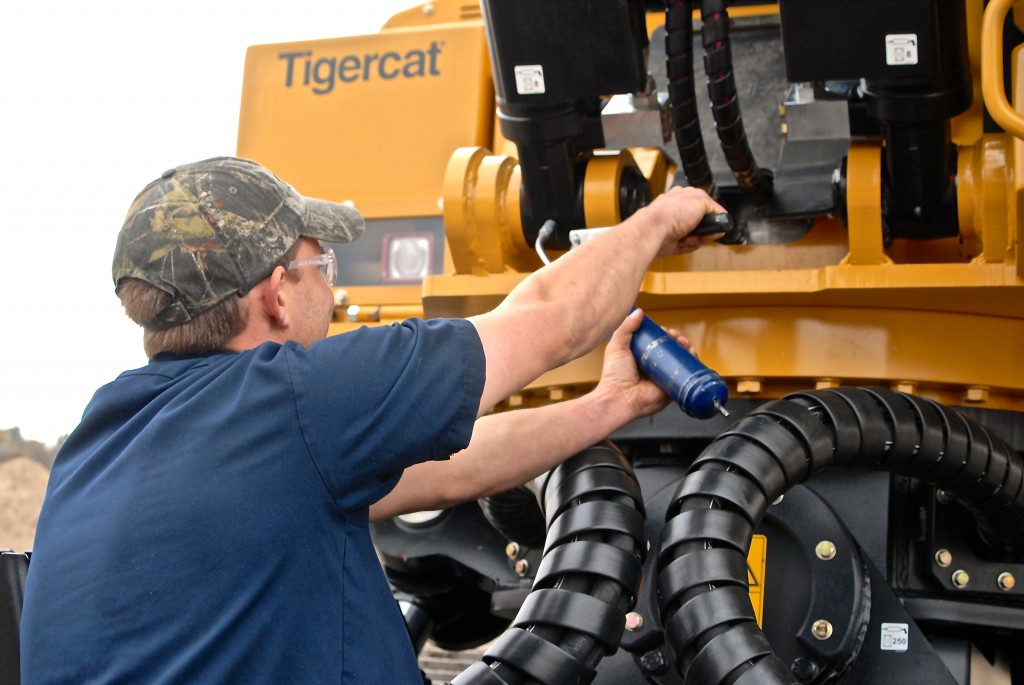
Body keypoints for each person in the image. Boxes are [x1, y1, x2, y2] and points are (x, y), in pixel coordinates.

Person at [19, 156, 724, 683]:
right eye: (320, 262)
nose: (337, 283)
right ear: (277, 297)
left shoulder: (102, 439)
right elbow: (554, 320)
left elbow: (448, 468)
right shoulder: (295, 400)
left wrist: (610, 405)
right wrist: (659, 219)